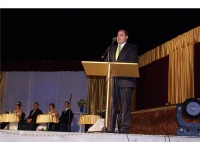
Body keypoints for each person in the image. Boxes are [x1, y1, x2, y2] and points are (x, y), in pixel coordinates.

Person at [104, 28, 138, 133]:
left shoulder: (132, 47)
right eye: (118, 35)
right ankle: (110, 128)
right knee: (112, 106)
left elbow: (133, 62)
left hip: (126, 81)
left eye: (121, 35)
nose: (118, 37)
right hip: (113, 81)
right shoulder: (111, 49)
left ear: (126, 37)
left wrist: (118, 66)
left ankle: (124, 128)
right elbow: (106, 63)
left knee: (125, 105)